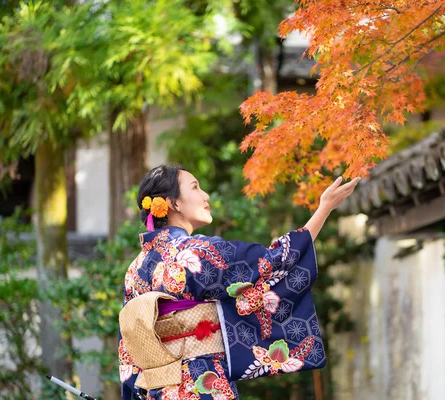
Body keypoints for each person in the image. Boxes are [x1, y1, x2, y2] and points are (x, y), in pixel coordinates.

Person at [118, 164, 360, 400]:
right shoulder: (195, 252)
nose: (205, 195)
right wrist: (324, 209)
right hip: (201, 382)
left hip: (157, 390)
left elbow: (129, 344)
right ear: (173, 203)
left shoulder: (135, 270)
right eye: (195, 187)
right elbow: (272, 263)